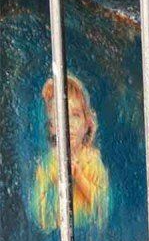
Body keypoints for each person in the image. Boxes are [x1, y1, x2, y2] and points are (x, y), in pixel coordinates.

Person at [32, 75, 109, 232]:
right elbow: (40, 213)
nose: (69, 124)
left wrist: (79, 177)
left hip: (88, 236)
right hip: (58, 237)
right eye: (61, 117)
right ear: (52, 127)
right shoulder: (48, 164)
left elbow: (102, 206)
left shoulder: (93, 160)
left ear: (87, 123)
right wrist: (57, 178)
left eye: (75, 115)